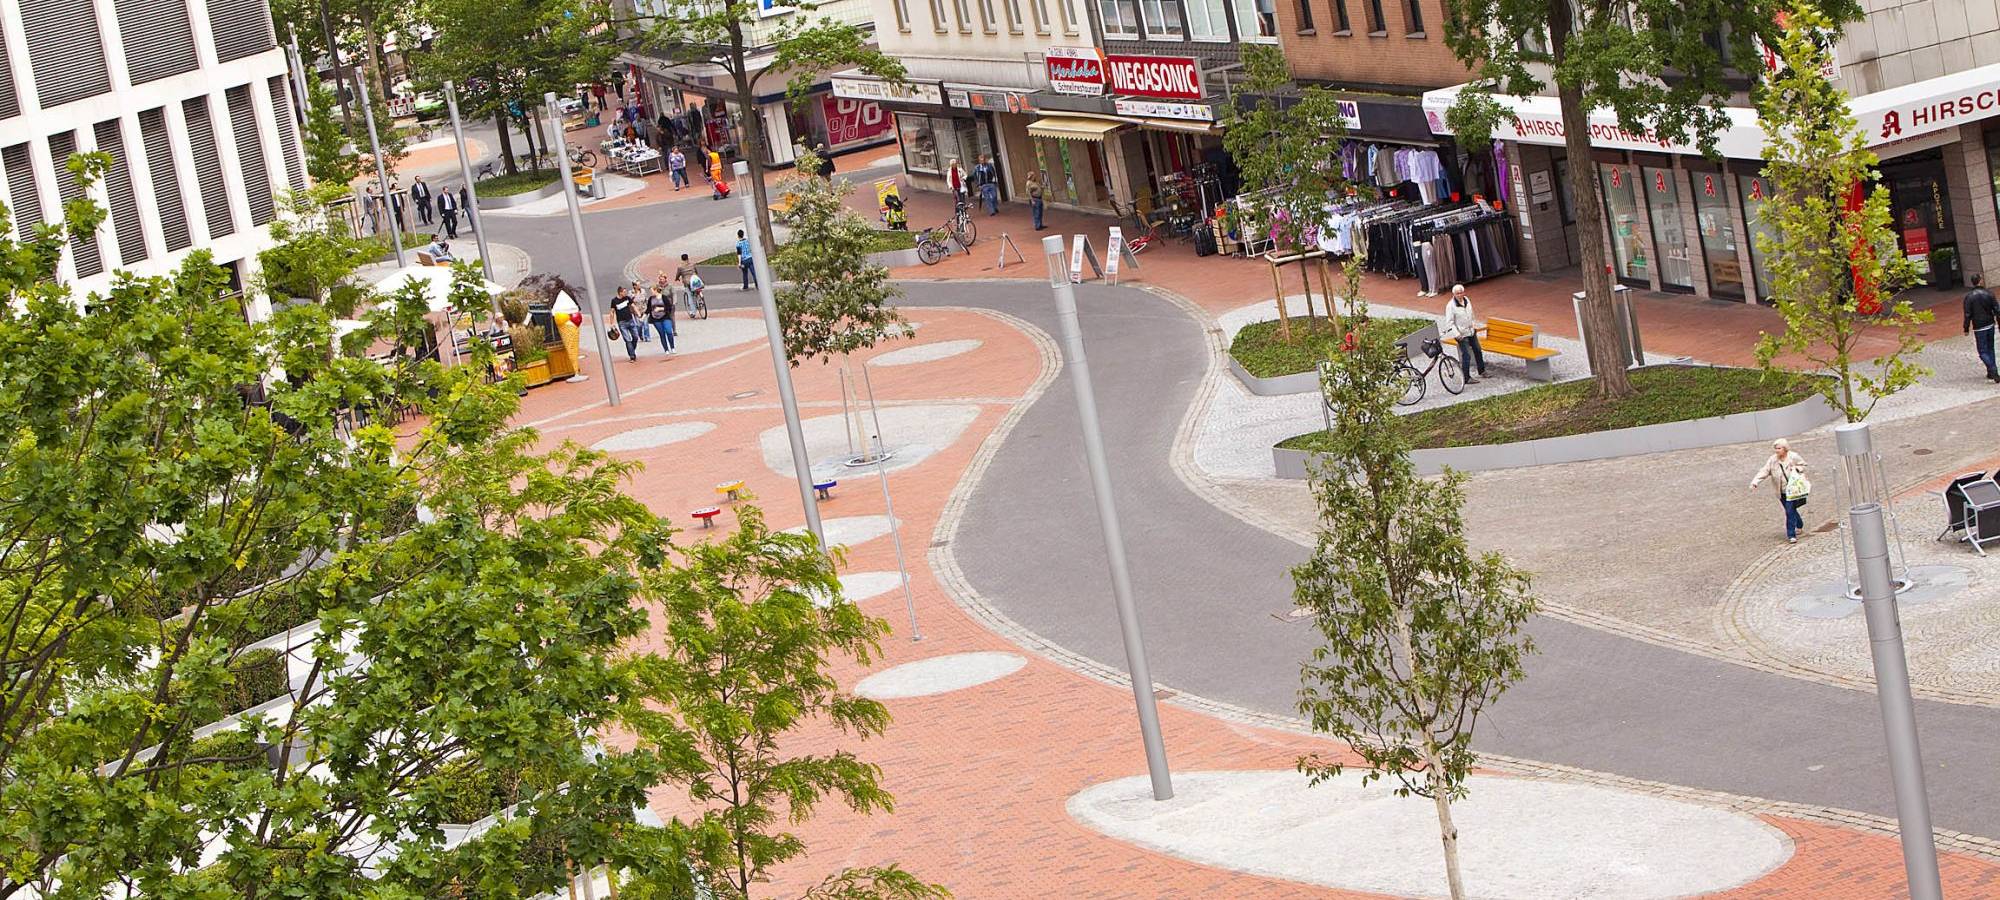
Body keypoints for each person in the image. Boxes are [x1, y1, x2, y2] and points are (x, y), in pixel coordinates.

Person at [1750, 439, 1811, 544]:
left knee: (1789, 511)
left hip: (1793, 490)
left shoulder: (1793, 456)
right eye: (1775, 448)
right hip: (1781, 491)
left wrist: (1796, 468)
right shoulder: (1772, 460)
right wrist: (1755, 482)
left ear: (1785, 448)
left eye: (1779, 448)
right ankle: (1799, 524)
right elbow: (1764, 471)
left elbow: (1804, 465)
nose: (1777, 451)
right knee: (1790, 510)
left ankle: (1791, 535)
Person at [1438, 284, 1487, 384]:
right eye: (1457, 293)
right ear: (1454, 294)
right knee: (1466, 355)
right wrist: (1456, 334)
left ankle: (1482, 371)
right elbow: (1450, 322)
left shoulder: (1467, 300)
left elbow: (1471, 314)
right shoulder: (1450, 306)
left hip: (1471, 331)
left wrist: (1473, 325)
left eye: (1461, 293)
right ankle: (1466, 377)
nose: (1460, 295)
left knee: (1478, 350)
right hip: (1461, 335)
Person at [1964, 273, 1998, 383]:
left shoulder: (1969, 297)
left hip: (1979, 326)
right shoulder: (1989, 294)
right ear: (1980, 281)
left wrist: (1966, 327)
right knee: (1990, 348)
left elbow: (1967, 314)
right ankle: (1993, 370)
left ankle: (1992, 370)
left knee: (1982, 351)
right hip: (1990, 323)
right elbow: (1997, 309)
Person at [610, 286, 640, 362]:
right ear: (620, 293)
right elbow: (612, 312)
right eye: (624, 292)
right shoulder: (614, 301)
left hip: (630, 320)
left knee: (635, 336)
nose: (625, 293)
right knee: (627, 340)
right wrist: (612, 323)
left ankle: (631, 350)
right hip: (622, 322)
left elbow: (633, 306)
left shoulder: (627, 298)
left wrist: (638, 313)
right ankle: (632, 356)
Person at [646, 285, 676, 355]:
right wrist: (644, 315)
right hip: (655, 318)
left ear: (656, 290)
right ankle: (666, 349)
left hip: (665, 317)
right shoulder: (651, 299)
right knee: (662, 334)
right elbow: (649, 309)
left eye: (652, 290)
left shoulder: (664, 297)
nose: (651, 292)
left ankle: (672, 347)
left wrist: (661, 309)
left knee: (669, 331)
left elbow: (669, 307)